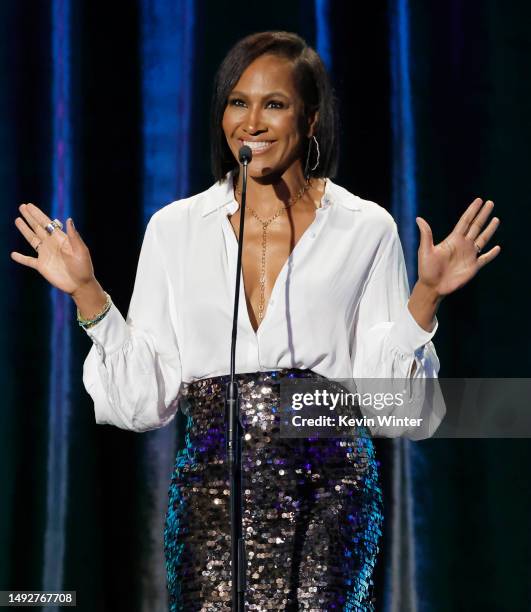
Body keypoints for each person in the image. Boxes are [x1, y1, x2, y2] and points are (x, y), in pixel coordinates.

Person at [11, 31, 500, 612]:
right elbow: (144, 401)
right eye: (238, 102)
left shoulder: (364, 228)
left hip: (332, 496)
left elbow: (397, 409)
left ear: (311, 118)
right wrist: (88, 293)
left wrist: (425, 297)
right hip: (210, 502)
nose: (253, 122)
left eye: (275, 104)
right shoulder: (175, 229)